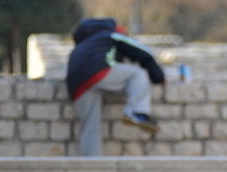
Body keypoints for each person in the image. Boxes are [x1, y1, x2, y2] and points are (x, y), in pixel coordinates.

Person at [66, 17, 165, 156]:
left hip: (76, 84)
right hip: (98, 72)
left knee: (90, 127)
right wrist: (159, 77)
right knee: (138, 74)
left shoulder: (83, 46)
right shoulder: (110, 34)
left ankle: (91, 164)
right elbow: (143, 52)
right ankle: (136, 112)